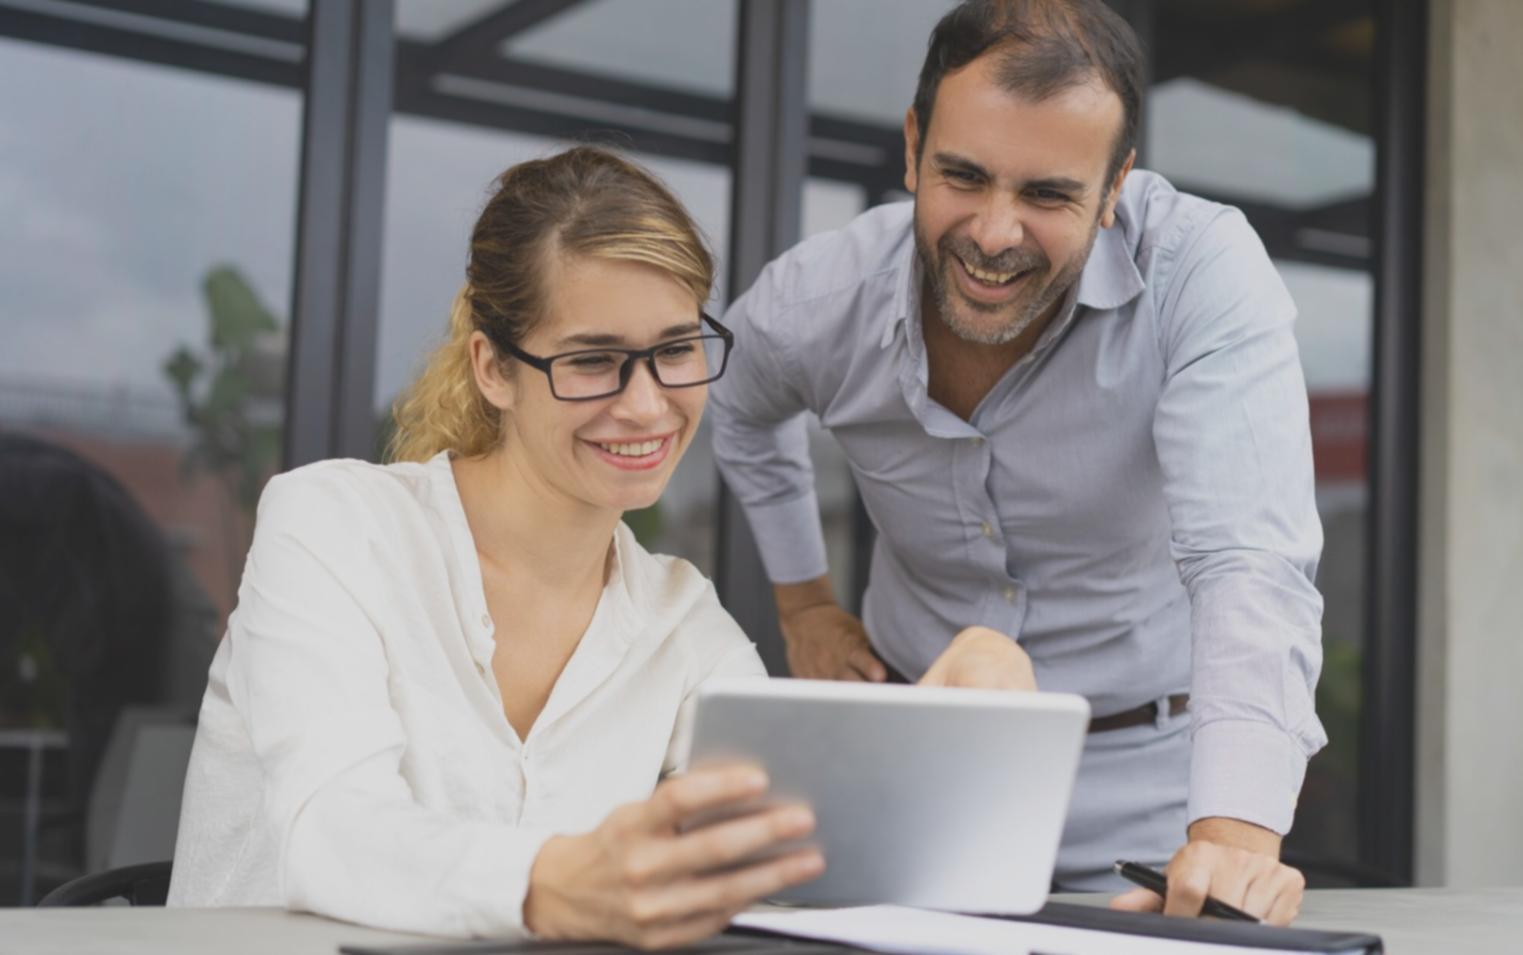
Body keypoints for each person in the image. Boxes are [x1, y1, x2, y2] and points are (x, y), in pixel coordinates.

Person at [709, 0, 1322, 927]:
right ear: (912, 148)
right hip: (918, 771)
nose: (994, 234)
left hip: (1151, 790)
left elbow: (1247, 558)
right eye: (962, 175)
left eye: (1046, 195)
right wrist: (804, 606)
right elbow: (738, 413)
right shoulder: (814, 301)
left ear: (1114, 187)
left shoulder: (1198, 270)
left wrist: (1234, 838)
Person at [168, 147, 824, 947]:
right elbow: (333, 831)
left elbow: (790, 856)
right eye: (593, 359)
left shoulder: (683, 622)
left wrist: (932, 731)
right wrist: (553, 881)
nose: (648, 404)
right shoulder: (334, 526)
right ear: (493, 369)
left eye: (676, 349)